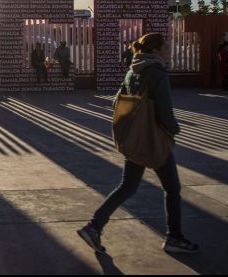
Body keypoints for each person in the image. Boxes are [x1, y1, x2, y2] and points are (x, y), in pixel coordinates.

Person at [77, 33, 199, 255]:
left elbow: (117, 101)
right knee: (172, 188)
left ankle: (93, 227)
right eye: (166, 46)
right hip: (153, 139)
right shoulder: (157, 73)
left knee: (128, 186)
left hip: (135, 137)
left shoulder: (134, 70)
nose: (169, 49)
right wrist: (174, 130)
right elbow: (164, 111)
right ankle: (175, 237)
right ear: (156, 50)